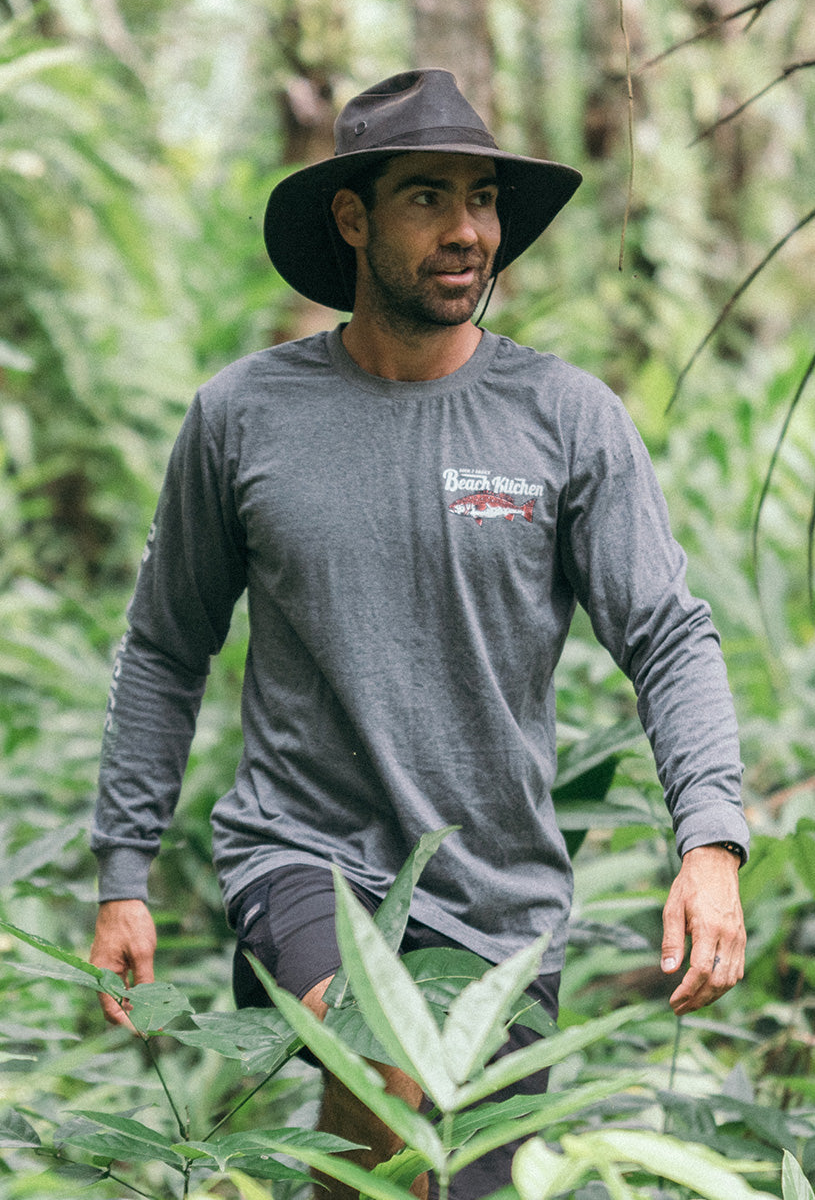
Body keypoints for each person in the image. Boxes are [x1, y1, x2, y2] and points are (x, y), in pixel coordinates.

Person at [89, 69, 749, 1198]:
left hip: (499, 897)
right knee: (387, 1067)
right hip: (304, 858)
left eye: (483, 199)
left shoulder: (565, 418)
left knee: (433, 1178)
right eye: (427, 198)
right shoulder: (242, 419)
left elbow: (666, 635)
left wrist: (710, 839)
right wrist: (122, 864)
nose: (467, 232)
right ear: (351, 218)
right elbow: (164, 644)